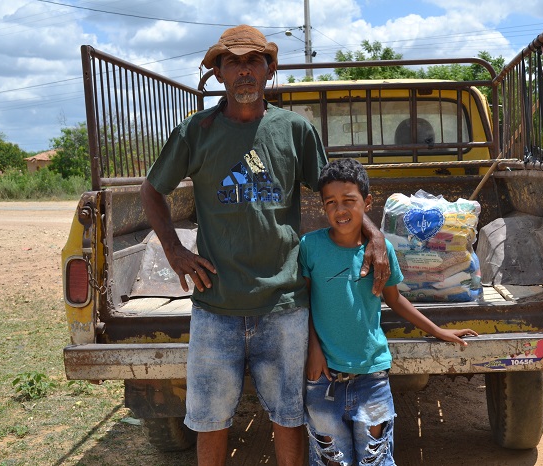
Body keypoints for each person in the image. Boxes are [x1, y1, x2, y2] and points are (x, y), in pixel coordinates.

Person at [140, 25, 389, 466]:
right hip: (216, 304)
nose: (244, 72)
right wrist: (175, 252)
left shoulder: (293, 130)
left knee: (288, 416)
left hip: (285, 304)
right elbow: (152, 190)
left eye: (254, 60)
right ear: (218, 72)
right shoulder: (196, 132)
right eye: (232, 62)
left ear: (270, 68)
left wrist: (375, 234)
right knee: (209, 420)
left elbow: (337, 191)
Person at [299, 158, 478, 465]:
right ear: (322, 206)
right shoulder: (310, 246)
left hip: (372, 377)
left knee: (375, 460)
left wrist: (438, 331)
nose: (340, 210)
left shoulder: (382, 252)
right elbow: (303, 303)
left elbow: (395, 300)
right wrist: (313, 349)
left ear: (367, 202)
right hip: (323, 378)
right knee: (331, 461)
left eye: (349, 201)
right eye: (331, 202)